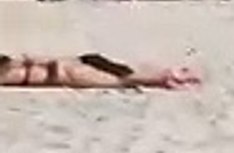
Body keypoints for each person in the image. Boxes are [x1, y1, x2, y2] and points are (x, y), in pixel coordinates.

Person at [0, 54, 199, 89]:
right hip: (68, 66)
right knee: (124, 76)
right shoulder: (10, 66)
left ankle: (167, 77)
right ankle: (167, 76)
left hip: (66, 71)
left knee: (123, 79)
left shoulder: (8, 69)